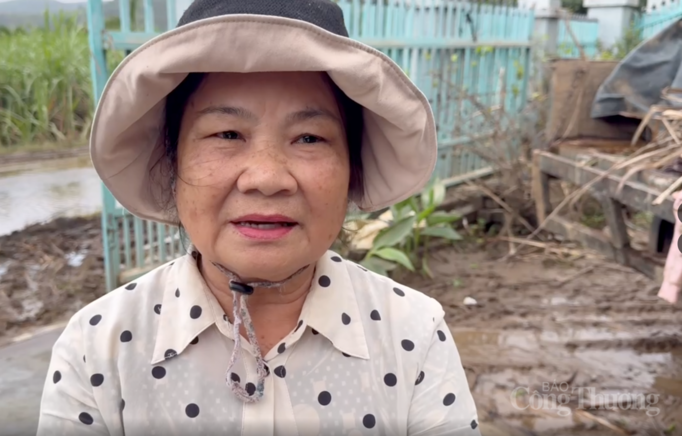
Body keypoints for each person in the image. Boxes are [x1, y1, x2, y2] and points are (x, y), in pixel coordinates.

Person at [36, 0, 481, 434]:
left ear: (353, 168)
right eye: (227, 134)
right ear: (171, 163)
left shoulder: (414, 335)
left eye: (309, 137)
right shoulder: (97, 348)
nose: (267, 178)